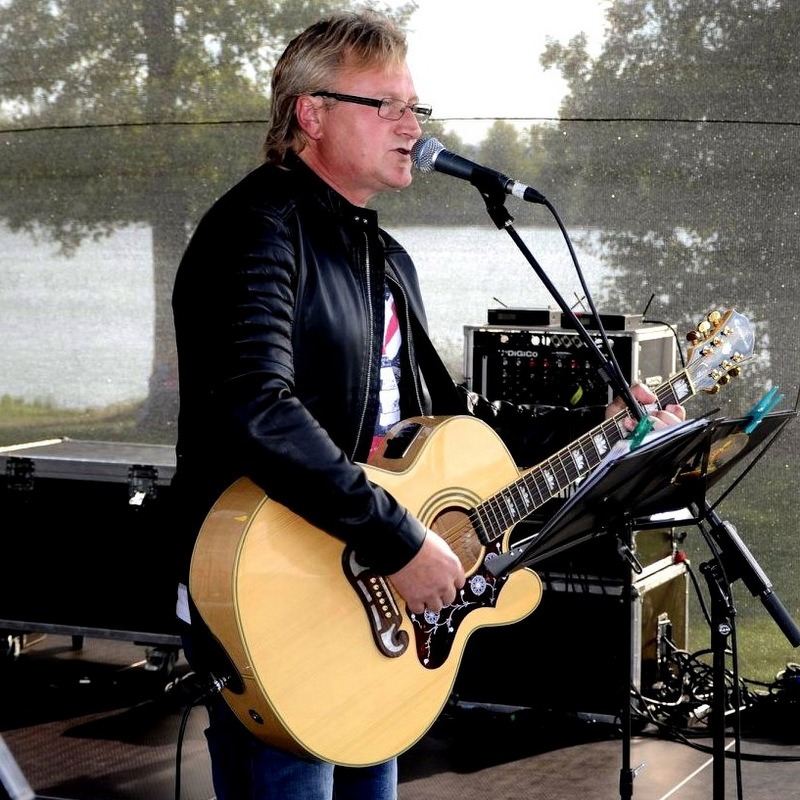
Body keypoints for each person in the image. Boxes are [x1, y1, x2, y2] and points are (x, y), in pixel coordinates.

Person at [169, 9, 685, 800]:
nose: (414, 127)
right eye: (388, 106)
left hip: (366, 605)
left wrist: (605, 428)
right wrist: (397, 540)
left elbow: (451, 429)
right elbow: (256, 406)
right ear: (312, 114)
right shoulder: (258, 228)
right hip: (275, 587)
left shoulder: (384, 257)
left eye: (417, 107)